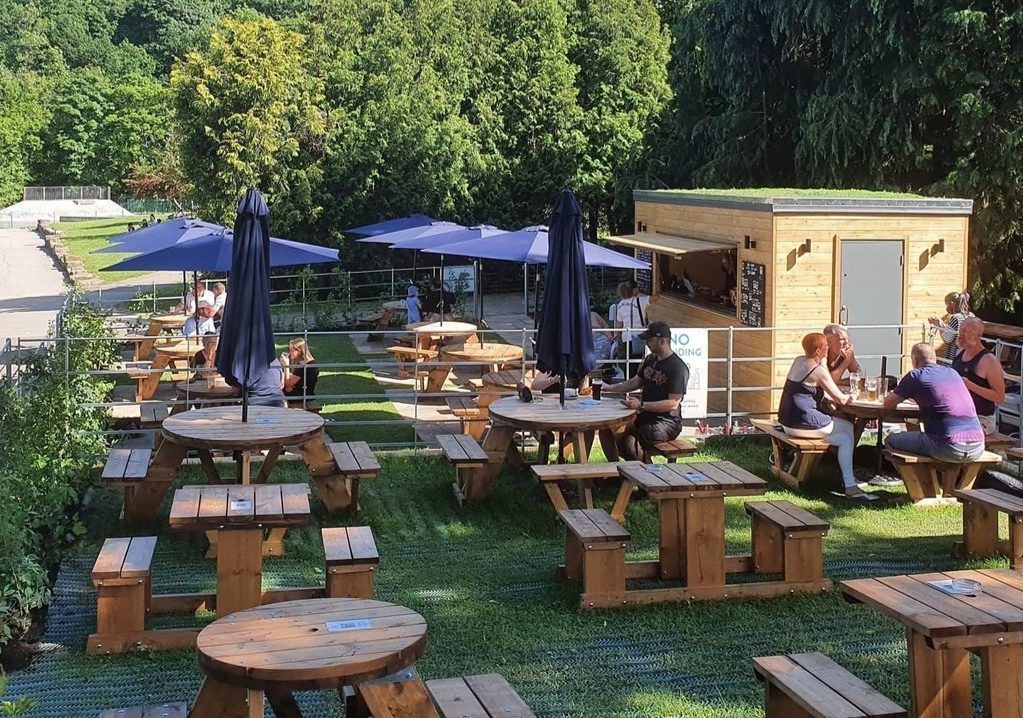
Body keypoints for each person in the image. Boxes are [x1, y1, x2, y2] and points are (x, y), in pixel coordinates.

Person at [777, 333, 871, 500]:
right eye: (826, 345)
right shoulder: (817, 370)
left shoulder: (799, 361)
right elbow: (840, 399)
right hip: (802, 423)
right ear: (819, 350)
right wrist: (855, 395)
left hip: (787, 421)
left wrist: (823, 359)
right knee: (847, 432)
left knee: (844, 434)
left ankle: (843, 475)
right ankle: (849, 485)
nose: (829, 348)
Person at [884, 343, 985, 494]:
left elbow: (888, 404)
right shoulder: (952, 374)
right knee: (948, 435)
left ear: (915, 360)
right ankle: (948, 491)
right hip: (977, 444)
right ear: (935, 359)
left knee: (891, 440)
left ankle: (919, 489)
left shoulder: (915, 375)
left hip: (948, 447)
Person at [603, 321, 688, 461]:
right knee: (608, 429)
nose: (647, 343)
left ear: (663, 341)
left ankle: (647, 476)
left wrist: (641, 405)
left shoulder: (678, 367)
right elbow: (636, 381)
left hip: (666, 422)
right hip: (645, 417)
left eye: (650, 340)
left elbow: (673, 403)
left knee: (630, 443)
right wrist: (610, 387)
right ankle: (615, 473)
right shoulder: (650, 359)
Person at [952, 317, 1005, 436]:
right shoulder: (960, 353)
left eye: (966, 332)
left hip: (981, 418)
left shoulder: (988, 360)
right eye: (961, 330)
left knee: (956, 435)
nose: (961, 334)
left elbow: (999, 397)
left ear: (978, 335)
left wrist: (970, 385)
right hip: (958, 414)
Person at [613, 280, 651, 375]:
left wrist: (616, 335)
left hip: (626, 336)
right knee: (636, 361)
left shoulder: (621, 304)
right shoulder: (640, 300)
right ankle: (633, 381)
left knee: (628, 360)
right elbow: (656, 298)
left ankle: (628, 379)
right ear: (633, 290)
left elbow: (619, 323)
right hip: (638, 335)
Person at [929, 291, 973, 361]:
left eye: (947, 304)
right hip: (968, 355)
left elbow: (947, 338)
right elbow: (952, 331)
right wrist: (941, 324)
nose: (946, 307)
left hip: (954, 357)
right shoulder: (971, 316)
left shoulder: (956, 317)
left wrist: (938, 326)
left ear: (952, 303)